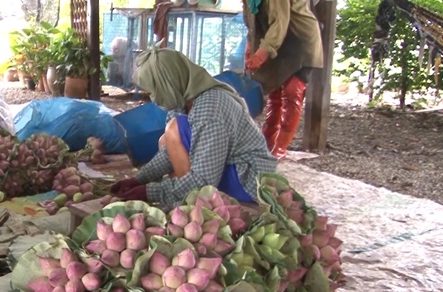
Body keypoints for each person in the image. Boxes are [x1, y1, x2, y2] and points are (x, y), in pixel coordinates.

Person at [110, 48, 277, 209]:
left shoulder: (210, 109)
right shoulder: (184, 99)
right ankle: (185, 199)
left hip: (249, 180)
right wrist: (139, 179)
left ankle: (195, 207)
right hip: (228, 168)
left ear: (170, 83)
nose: (154, 99)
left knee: (173, 130)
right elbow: (169, 152)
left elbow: (203, 180)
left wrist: (150, 192)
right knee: (166, 139)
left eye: (155, 91)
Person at [245, 0, 323, 159]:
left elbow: (280, 21)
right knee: (274, 92)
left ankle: (279, 149)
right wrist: (250, 47)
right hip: (278, 43)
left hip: (300, 41)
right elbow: (252, 24)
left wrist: (260, 55)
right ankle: (265, 144)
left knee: (292, 91)